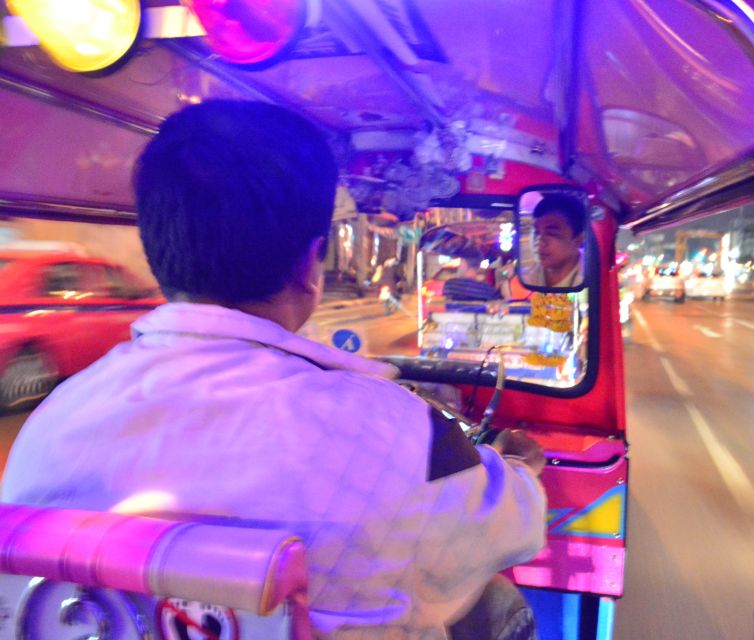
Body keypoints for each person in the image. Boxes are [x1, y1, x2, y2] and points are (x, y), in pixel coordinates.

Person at [1, 101, 547, 640]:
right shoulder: (402, 436)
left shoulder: (47, 430)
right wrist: (521, 466)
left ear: (157, 251)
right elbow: (515, 527)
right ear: (311, 264)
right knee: (499, 606)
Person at [521, 194, 585, 288]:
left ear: (578, 239)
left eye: (551, 234)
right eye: (537, 233)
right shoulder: (525, 277)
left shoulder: (594, 278)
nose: (539, 242)